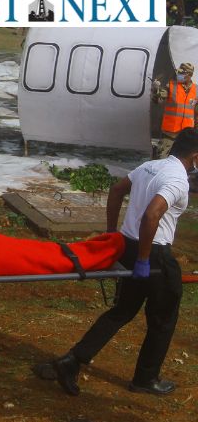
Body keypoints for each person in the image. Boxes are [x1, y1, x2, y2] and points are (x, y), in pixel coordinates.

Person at [45, 127, 198, 397]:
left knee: (123, 311)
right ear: (194, 157)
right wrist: (142, 260)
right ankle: (145, 378)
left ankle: (72, 361)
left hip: (129, 247)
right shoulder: (177, 179)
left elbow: (117, 190)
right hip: (154, 256)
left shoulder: (150, 166)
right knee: (163, 319)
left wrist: (111, 233)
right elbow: (152, 216)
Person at [153, 63, 196, 157]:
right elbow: (158, 100)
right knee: (161, 157)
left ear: (189, 75)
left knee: (184, 158)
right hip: (170, 131)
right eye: (179, 73)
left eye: (182, 73)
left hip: (186, 133)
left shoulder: (196, 90)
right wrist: (156, 90)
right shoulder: (171, 85)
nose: (179, 75)